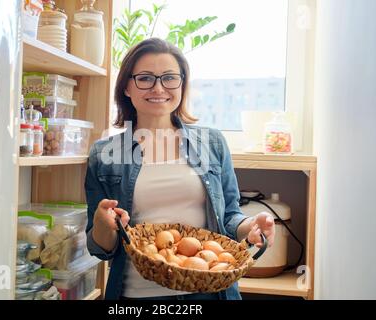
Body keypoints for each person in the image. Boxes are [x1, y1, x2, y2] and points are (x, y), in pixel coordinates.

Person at [85, 38, 275, 300]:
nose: (159, 87)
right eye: (145, 78)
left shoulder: (212, 143)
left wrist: (251, 226)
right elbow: (101, 249)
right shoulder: (104, 155)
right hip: (136, 294)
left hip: (210, 290)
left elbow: (230, 217)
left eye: (169, 78)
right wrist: (102, 225)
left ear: (182, 85)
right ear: (127, 86)